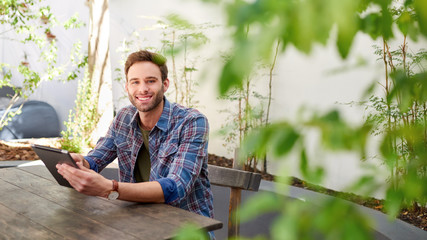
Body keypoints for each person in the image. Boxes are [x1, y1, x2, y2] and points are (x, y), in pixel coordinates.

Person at [56, 50, 214, 220]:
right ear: (127, 87)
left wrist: (110, 188)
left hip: (185, 226)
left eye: (151, 81)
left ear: (165, 84)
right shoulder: (124, 117)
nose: (143, 89)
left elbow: (175, 187)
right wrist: (83, 162)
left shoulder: (192, 122)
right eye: (135, 82)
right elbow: (97, 159)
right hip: (136, 221)